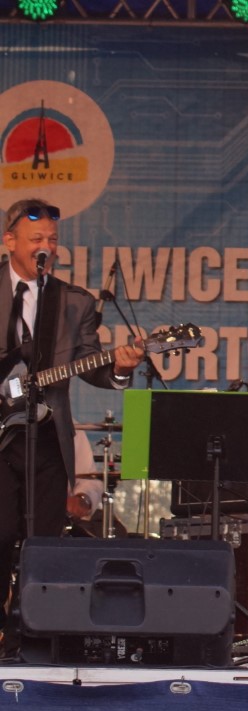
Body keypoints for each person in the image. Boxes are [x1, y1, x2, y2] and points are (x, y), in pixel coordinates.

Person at [0, 198, 146, 636]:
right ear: (10, 241)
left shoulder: (73, 302)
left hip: (46, 435)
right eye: (36, 238)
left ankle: (32, 633)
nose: (45, 246)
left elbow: (91, 365)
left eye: (52, 239)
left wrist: (120, 367)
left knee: (43, 540)